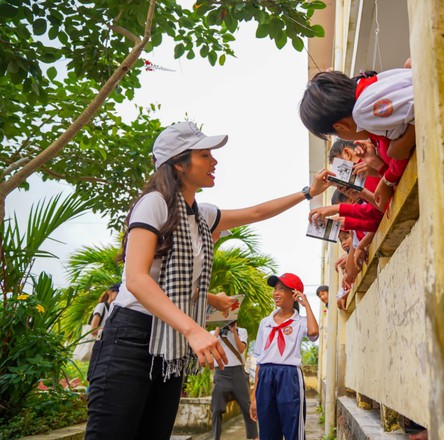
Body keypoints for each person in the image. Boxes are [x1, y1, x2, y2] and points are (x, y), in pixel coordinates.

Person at [85, 122, 332, 440]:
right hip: (131, 338)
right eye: (204, 155)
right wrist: (193, 328)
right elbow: (135, 278)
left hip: (168, 345)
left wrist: (308, 192)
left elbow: (256, 212)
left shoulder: (202, 215)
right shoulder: (154, 203)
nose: (214, 161)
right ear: (178, 162)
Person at [299, 68, 413, 210]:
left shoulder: (362, 112)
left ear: (341, 127)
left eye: (336, 134)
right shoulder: (368, 87)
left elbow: (420, 100)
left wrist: (399, 149)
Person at [249, 273, 319, 440]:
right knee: (267, 431)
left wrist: (306, 303)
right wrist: (254, 396)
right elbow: (259, 359)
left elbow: (314, 332)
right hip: (265, 375)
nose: (276, 293)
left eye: (282, 289)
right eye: (275, 289)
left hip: (289, 377)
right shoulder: (265, 322)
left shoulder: (300, 321)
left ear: (294, 294)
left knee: (292, 428)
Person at [210, 321, 258, 440]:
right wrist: (218, 329)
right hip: (221, 373)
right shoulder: (213, 333)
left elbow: (241, 349)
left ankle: (255, 437)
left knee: (247, 408)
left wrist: (234, 331)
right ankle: (215, 438)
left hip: (238, 373)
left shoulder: (241, 331)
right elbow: (210, 348)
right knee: (216, 409)